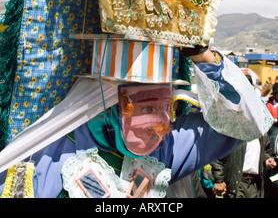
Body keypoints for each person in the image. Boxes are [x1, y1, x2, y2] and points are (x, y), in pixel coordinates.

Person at [0, 47, 274, 198]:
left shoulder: (165, 150)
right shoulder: (45, 159)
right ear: (107, 103)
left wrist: (205, 57)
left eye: (166, 107)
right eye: (147, 107)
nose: (160, 124)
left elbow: (248, 124)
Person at [210, 135, 277, 198]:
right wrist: (219, 180)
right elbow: (217, 155)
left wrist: (266, 160)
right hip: (237, 182)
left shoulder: (261, 132)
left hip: (254, 184)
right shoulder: (232, 131)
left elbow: (264, 151)